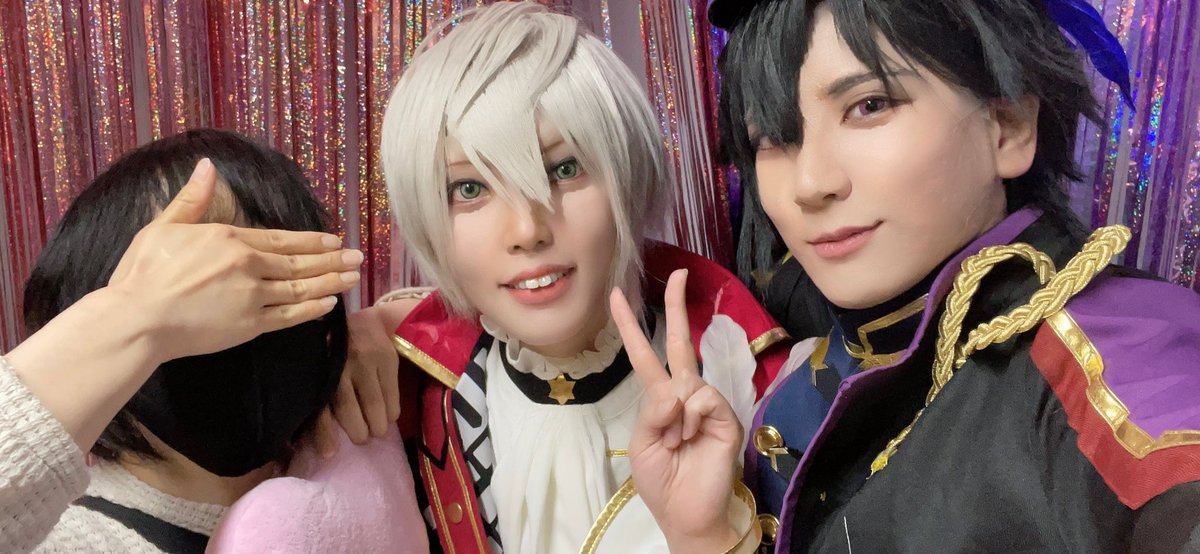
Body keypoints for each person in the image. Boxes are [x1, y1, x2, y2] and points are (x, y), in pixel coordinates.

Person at [615, 0, 1200, 551]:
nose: (810, 184)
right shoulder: (796, 391)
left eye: (869, 105)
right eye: (773, 138)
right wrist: (708, 535)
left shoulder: (1116, 361)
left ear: (1009, 126)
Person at [371, 3, 799, 552]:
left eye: (563, 169)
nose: (527, 230)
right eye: (469, 188)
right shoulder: (407, 397)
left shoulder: (760, 380)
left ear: (627, 171)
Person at [0, 129, 364, 553]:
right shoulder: (60, 540)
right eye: (194, 278)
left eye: (271, 273)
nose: (239, 312)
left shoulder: (357, 476)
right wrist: (129, 313)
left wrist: (401, 332)